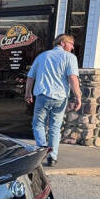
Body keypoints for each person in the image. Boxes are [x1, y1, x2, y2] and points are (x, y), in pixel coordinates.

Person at [25, 34, 82, 166]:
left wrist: (28, 93)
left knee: (38, 124)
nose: (73, 47)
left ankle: (42, 148)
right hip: (60, 98)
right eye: (71, 44)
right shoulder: (70, 58)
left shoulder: (42, 56)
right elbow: (73, 78)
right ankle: (52, 156)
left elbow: (30, 77)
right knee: (55, 127)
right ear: (62, 43)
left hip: (43, 96)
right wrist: (78, 96)